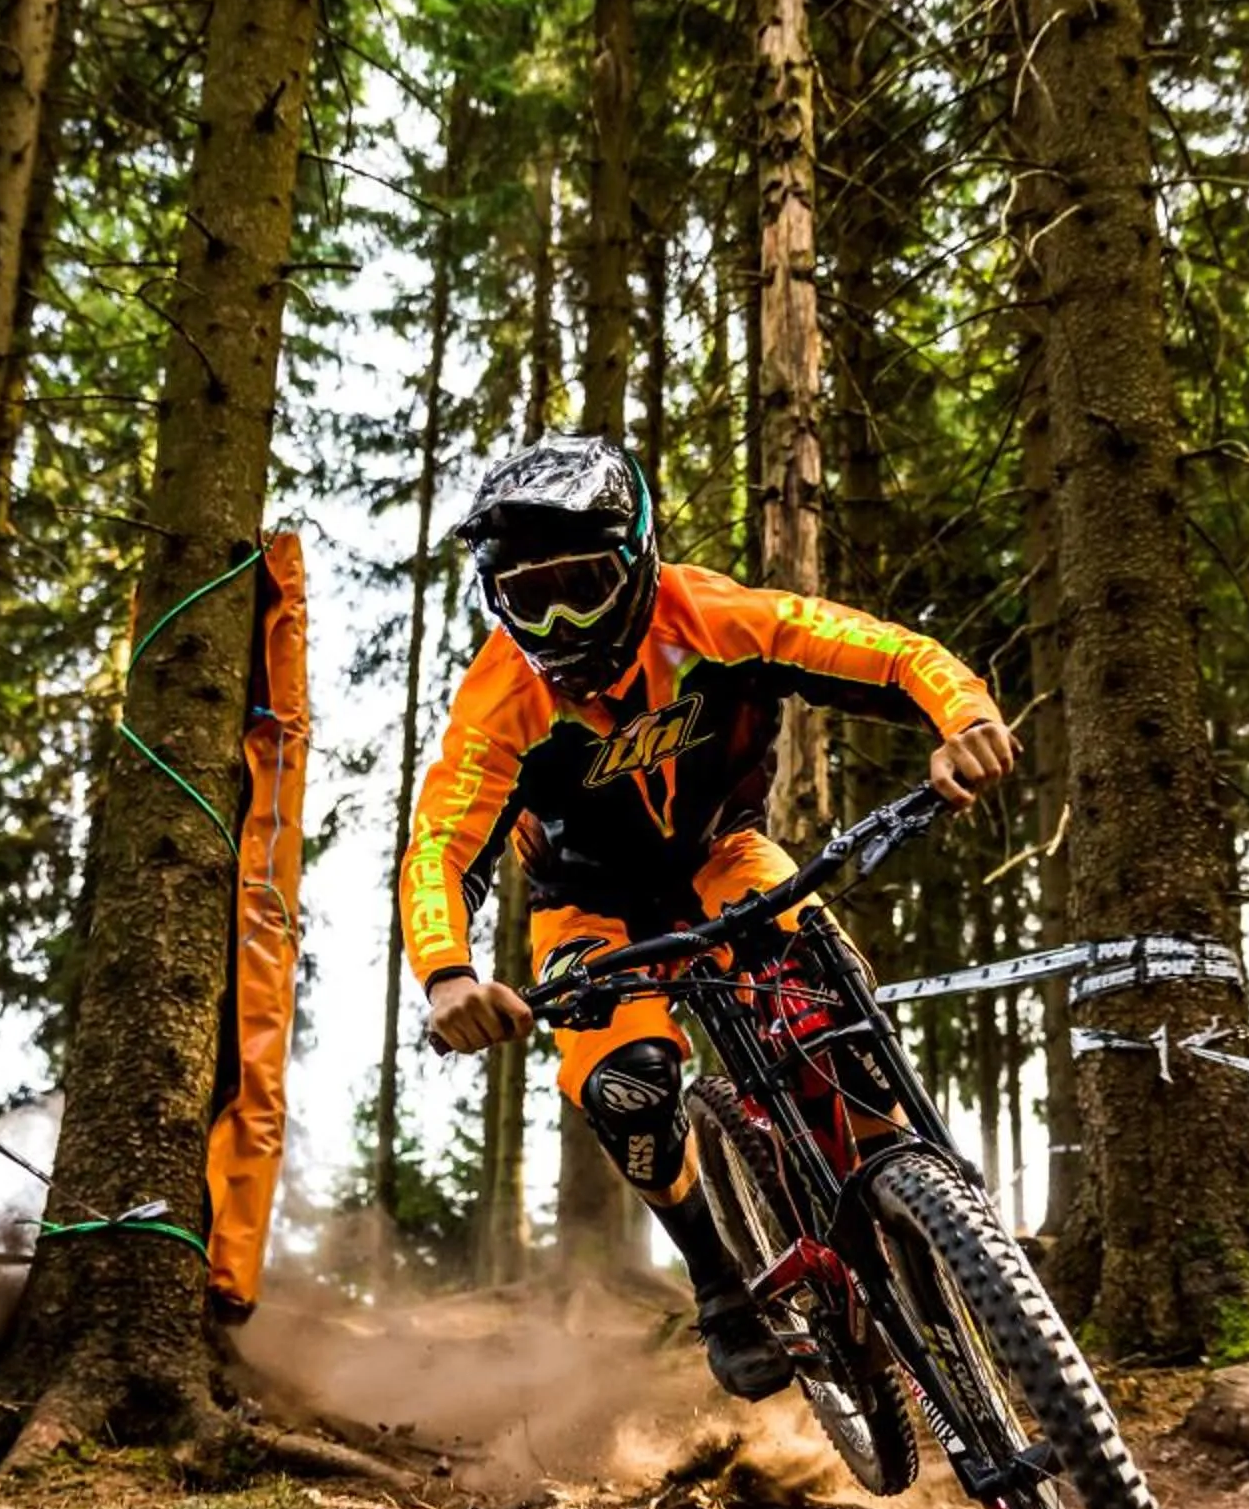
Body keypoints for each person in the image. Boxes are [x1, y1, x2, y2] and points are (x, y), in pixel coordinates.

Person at [402, 433, 1018, 1398]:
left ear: (638, 561)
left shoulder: (713, 619)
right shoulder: (501, 703)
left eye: (581, 587)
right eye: (528, 597)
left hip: (723, 854)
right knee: (628, 1086)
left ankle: (921, 1210)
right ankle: (719, 1284)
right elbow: (440, 846)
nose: (558, 623)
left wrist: (963, 717)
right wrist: (447, 975)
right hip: (588, 912)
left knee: (829, 1011)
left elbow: (886, 652)